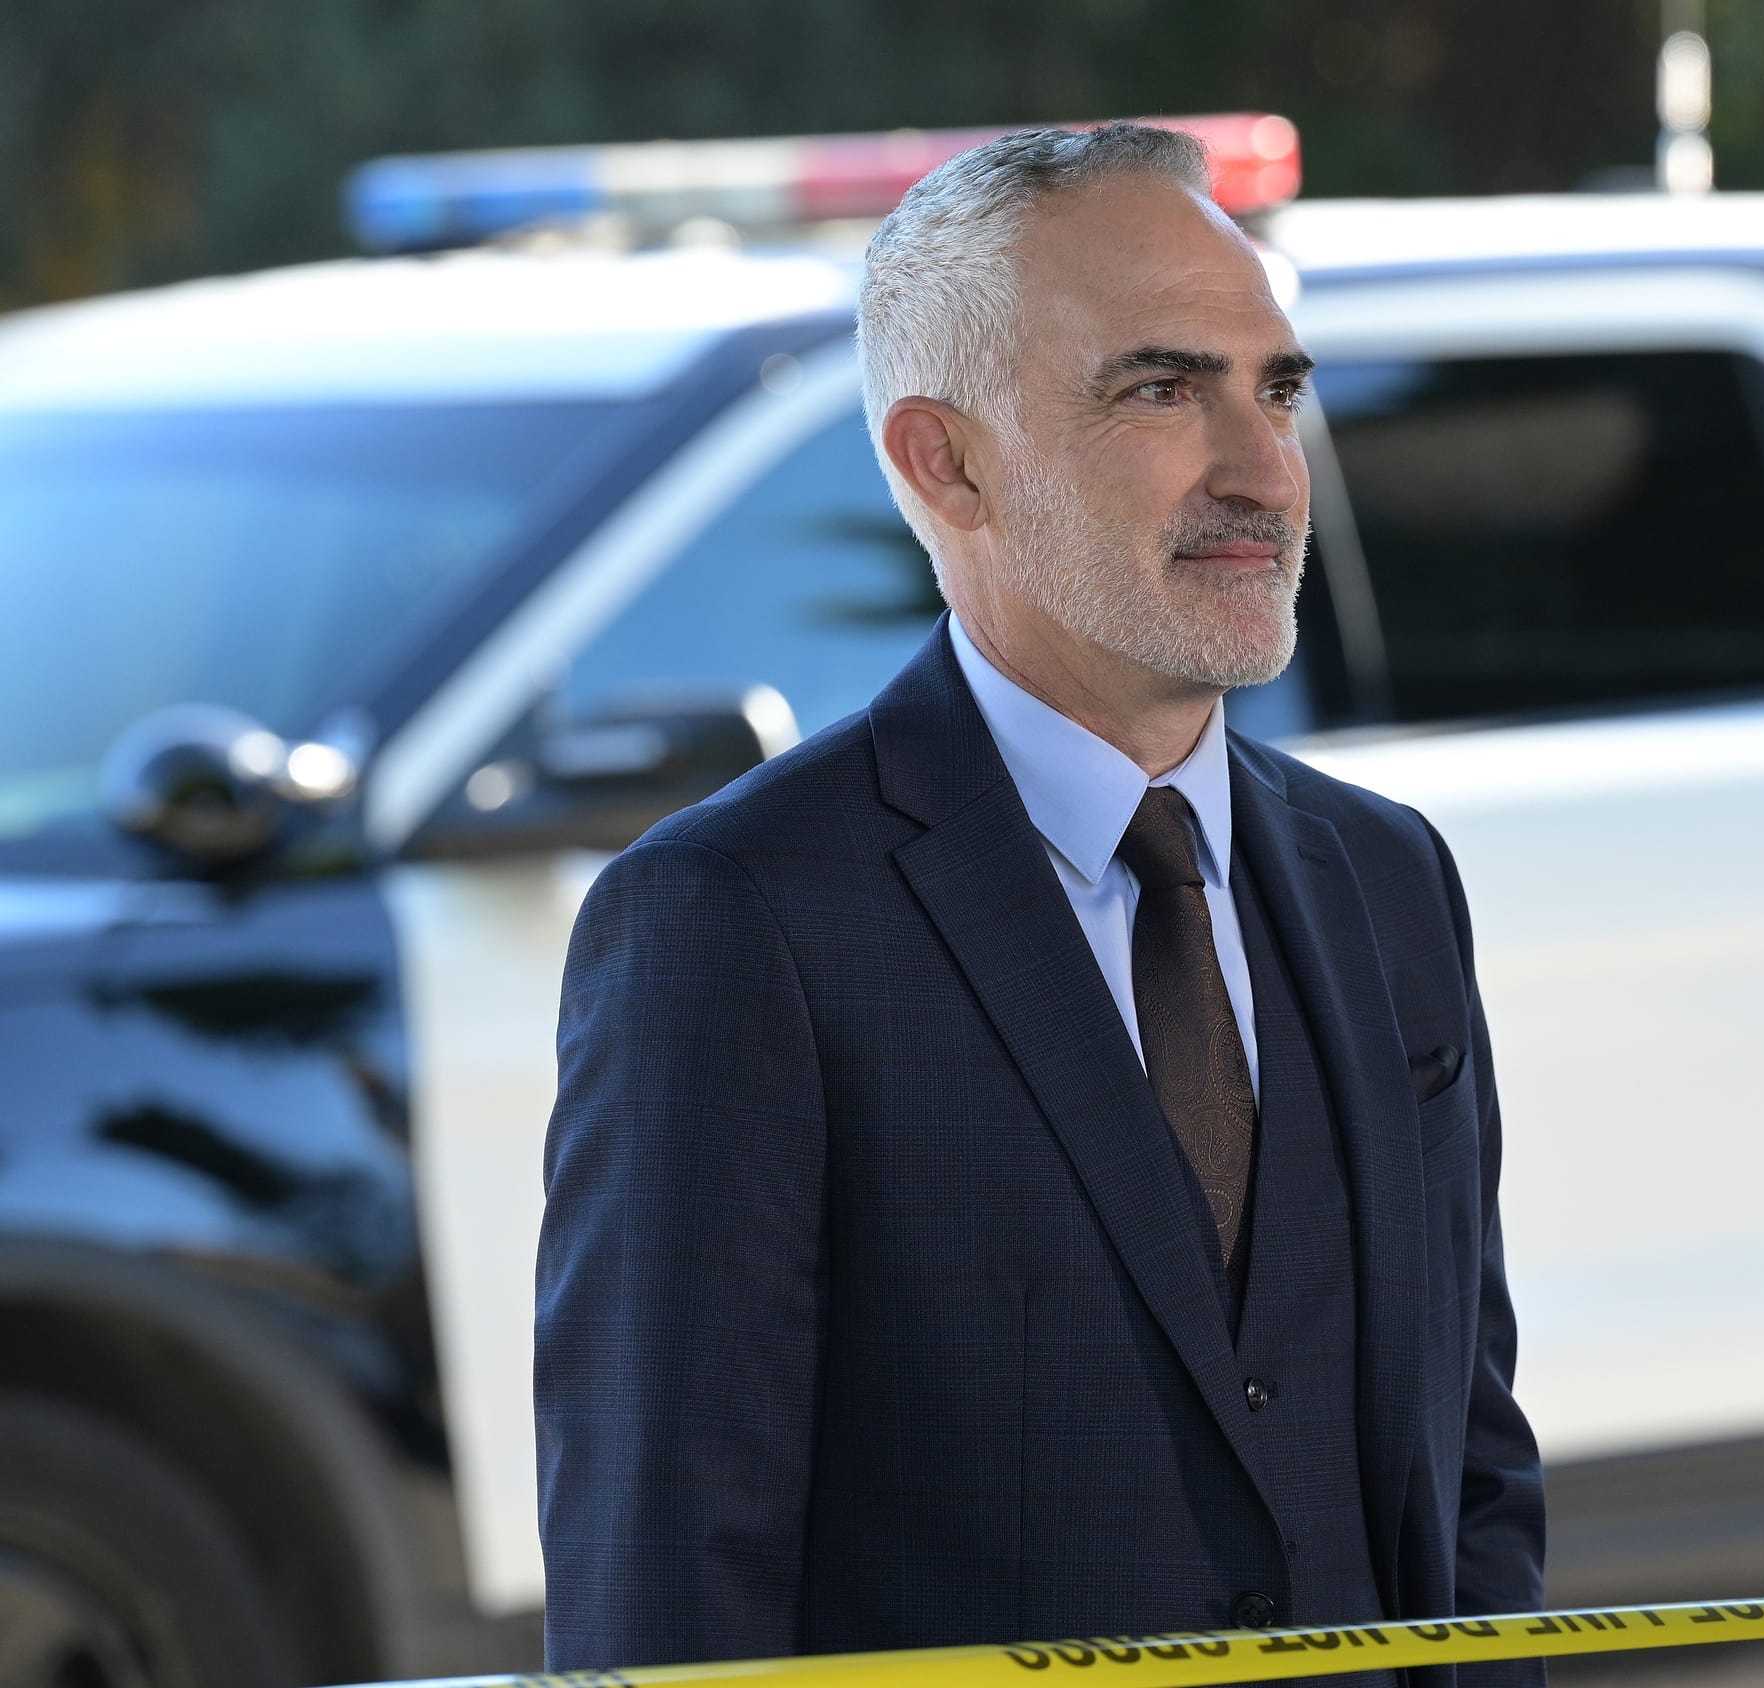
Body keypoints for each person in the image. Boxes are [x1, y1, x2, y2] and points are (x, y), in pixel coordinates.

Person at [533, 124, 1545, 1674]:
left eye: (1277, 389)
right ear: (945, 462)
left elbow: (1467, 1480)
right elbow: (666, 1583)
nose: (1264, 471)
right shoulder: (733, 924)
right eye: (1161, 390)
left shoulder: (1388, 880)